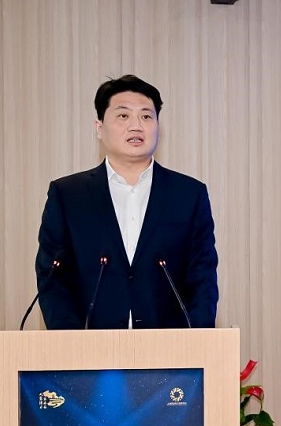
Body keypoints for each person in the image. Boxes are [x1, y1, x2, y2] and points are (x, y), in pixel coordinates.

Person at [36, 74, 218, 329]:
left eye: (146, 116)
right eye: (123, 115)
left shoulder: (189, 195)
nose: (136, 126)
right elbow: (53, 279)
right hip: (89, 347)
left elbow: (203, 279)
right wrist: (73, 344)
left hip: (172, 348)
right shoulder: (68, 195)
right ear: (99, 128)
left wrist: (196, 342)